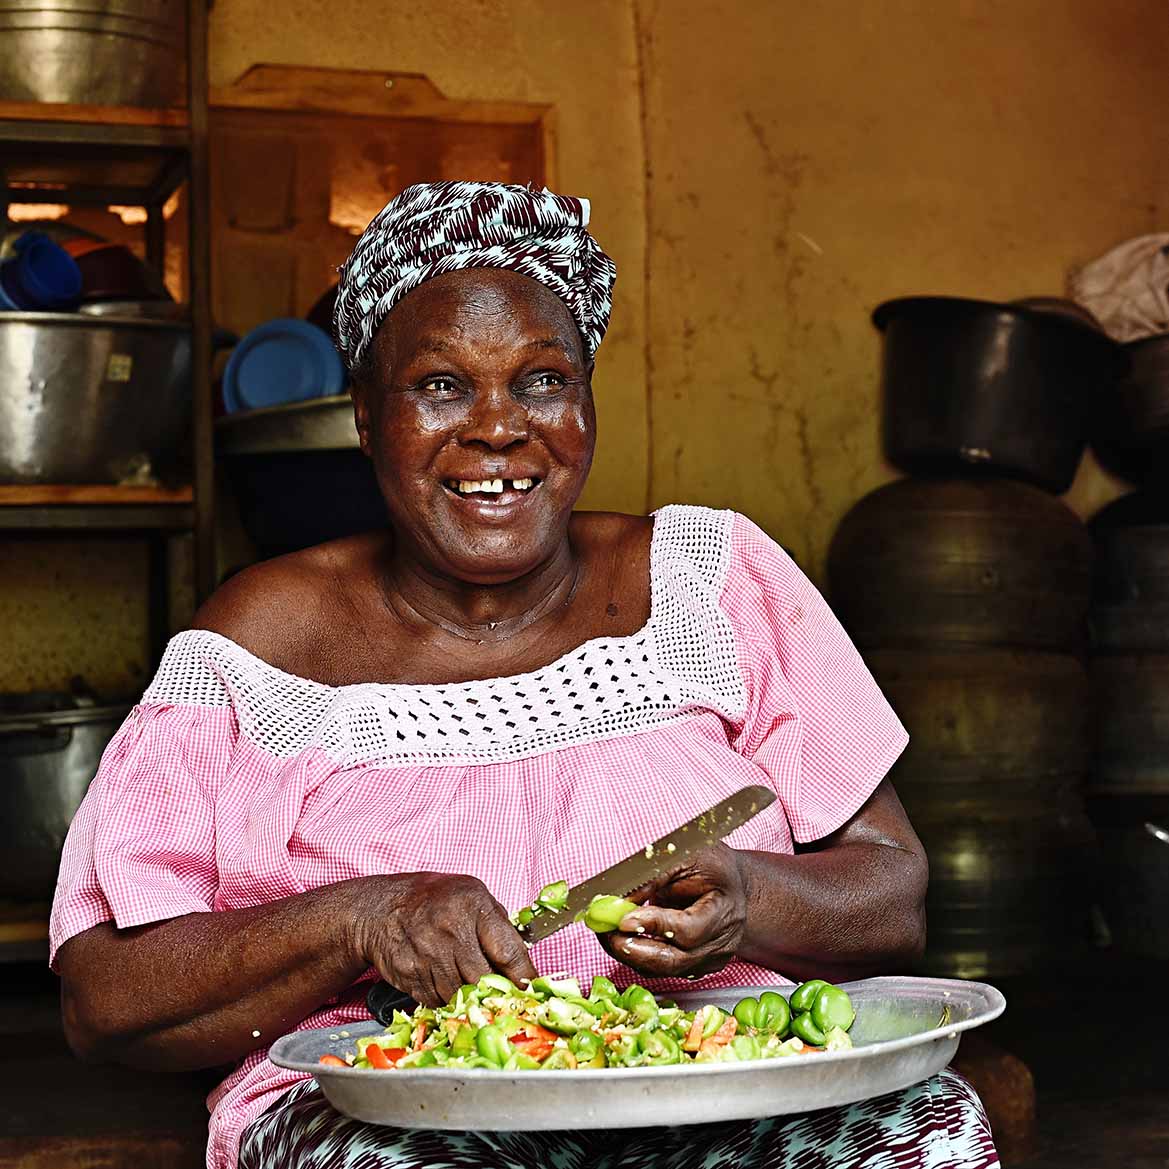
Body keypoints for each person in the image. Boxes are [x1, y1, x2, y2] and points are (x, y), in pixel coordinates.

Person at [51, 181, 998, 1169]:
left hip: (722, 1070)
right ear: (368, 419)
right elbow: (104, 995)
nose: (498, 427)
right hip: (408, 1103)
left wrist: (751, 898)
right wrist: (361, 919)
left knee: (930, 1130)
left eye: (542, 380)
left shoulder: (705, 579)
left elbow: (892, 894)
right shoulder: (259, 646)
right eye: (440, 386)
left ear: (584, 403)